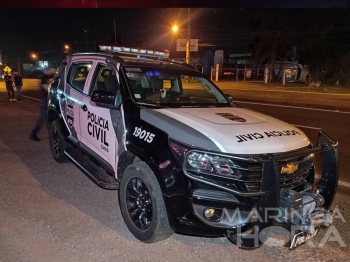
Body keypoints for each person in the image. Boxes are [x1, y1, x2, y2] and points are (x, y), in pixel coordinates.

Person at [29, 67, 56, 141]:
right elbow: (46, 88)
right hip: (44, 101)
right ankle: (33, 134)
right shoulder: (43, 78)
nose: (53, 72)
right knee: (42, 119)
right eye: (51, 70)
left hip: (46, 100)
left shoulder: (46, 77)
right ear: (47, 70)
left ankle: (53, 135)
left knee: (48, 119)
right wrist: (54, 90)